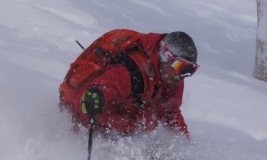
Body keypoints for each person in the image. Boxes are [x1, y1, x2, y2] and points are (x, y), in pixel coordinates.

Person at [59, 30, 199, 138]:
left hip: (120, 115)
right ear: (165, 56)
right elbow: (82, 101)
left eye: (190, 69)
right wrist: (96, 97)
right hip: (85, 119)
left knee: (147, 122)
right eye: (181, 66)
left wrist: (185, 145)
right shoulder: (129, 73)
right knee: (145, 121)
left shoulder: (172, 79)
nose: (183, 76)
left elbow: (170, 112)